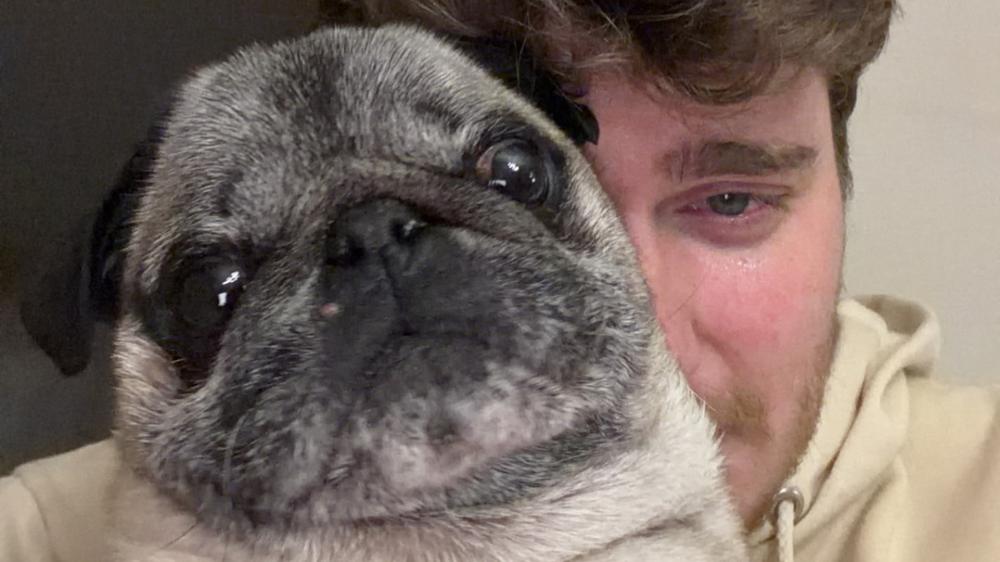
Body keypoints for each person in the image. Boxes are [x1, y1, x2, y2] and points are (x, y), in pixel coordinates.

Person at [2, 2, 997, 561]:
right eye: (219, 284)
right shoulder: (42, 530)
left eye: (729, 200)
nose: (638, 291)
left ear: (844, 193)